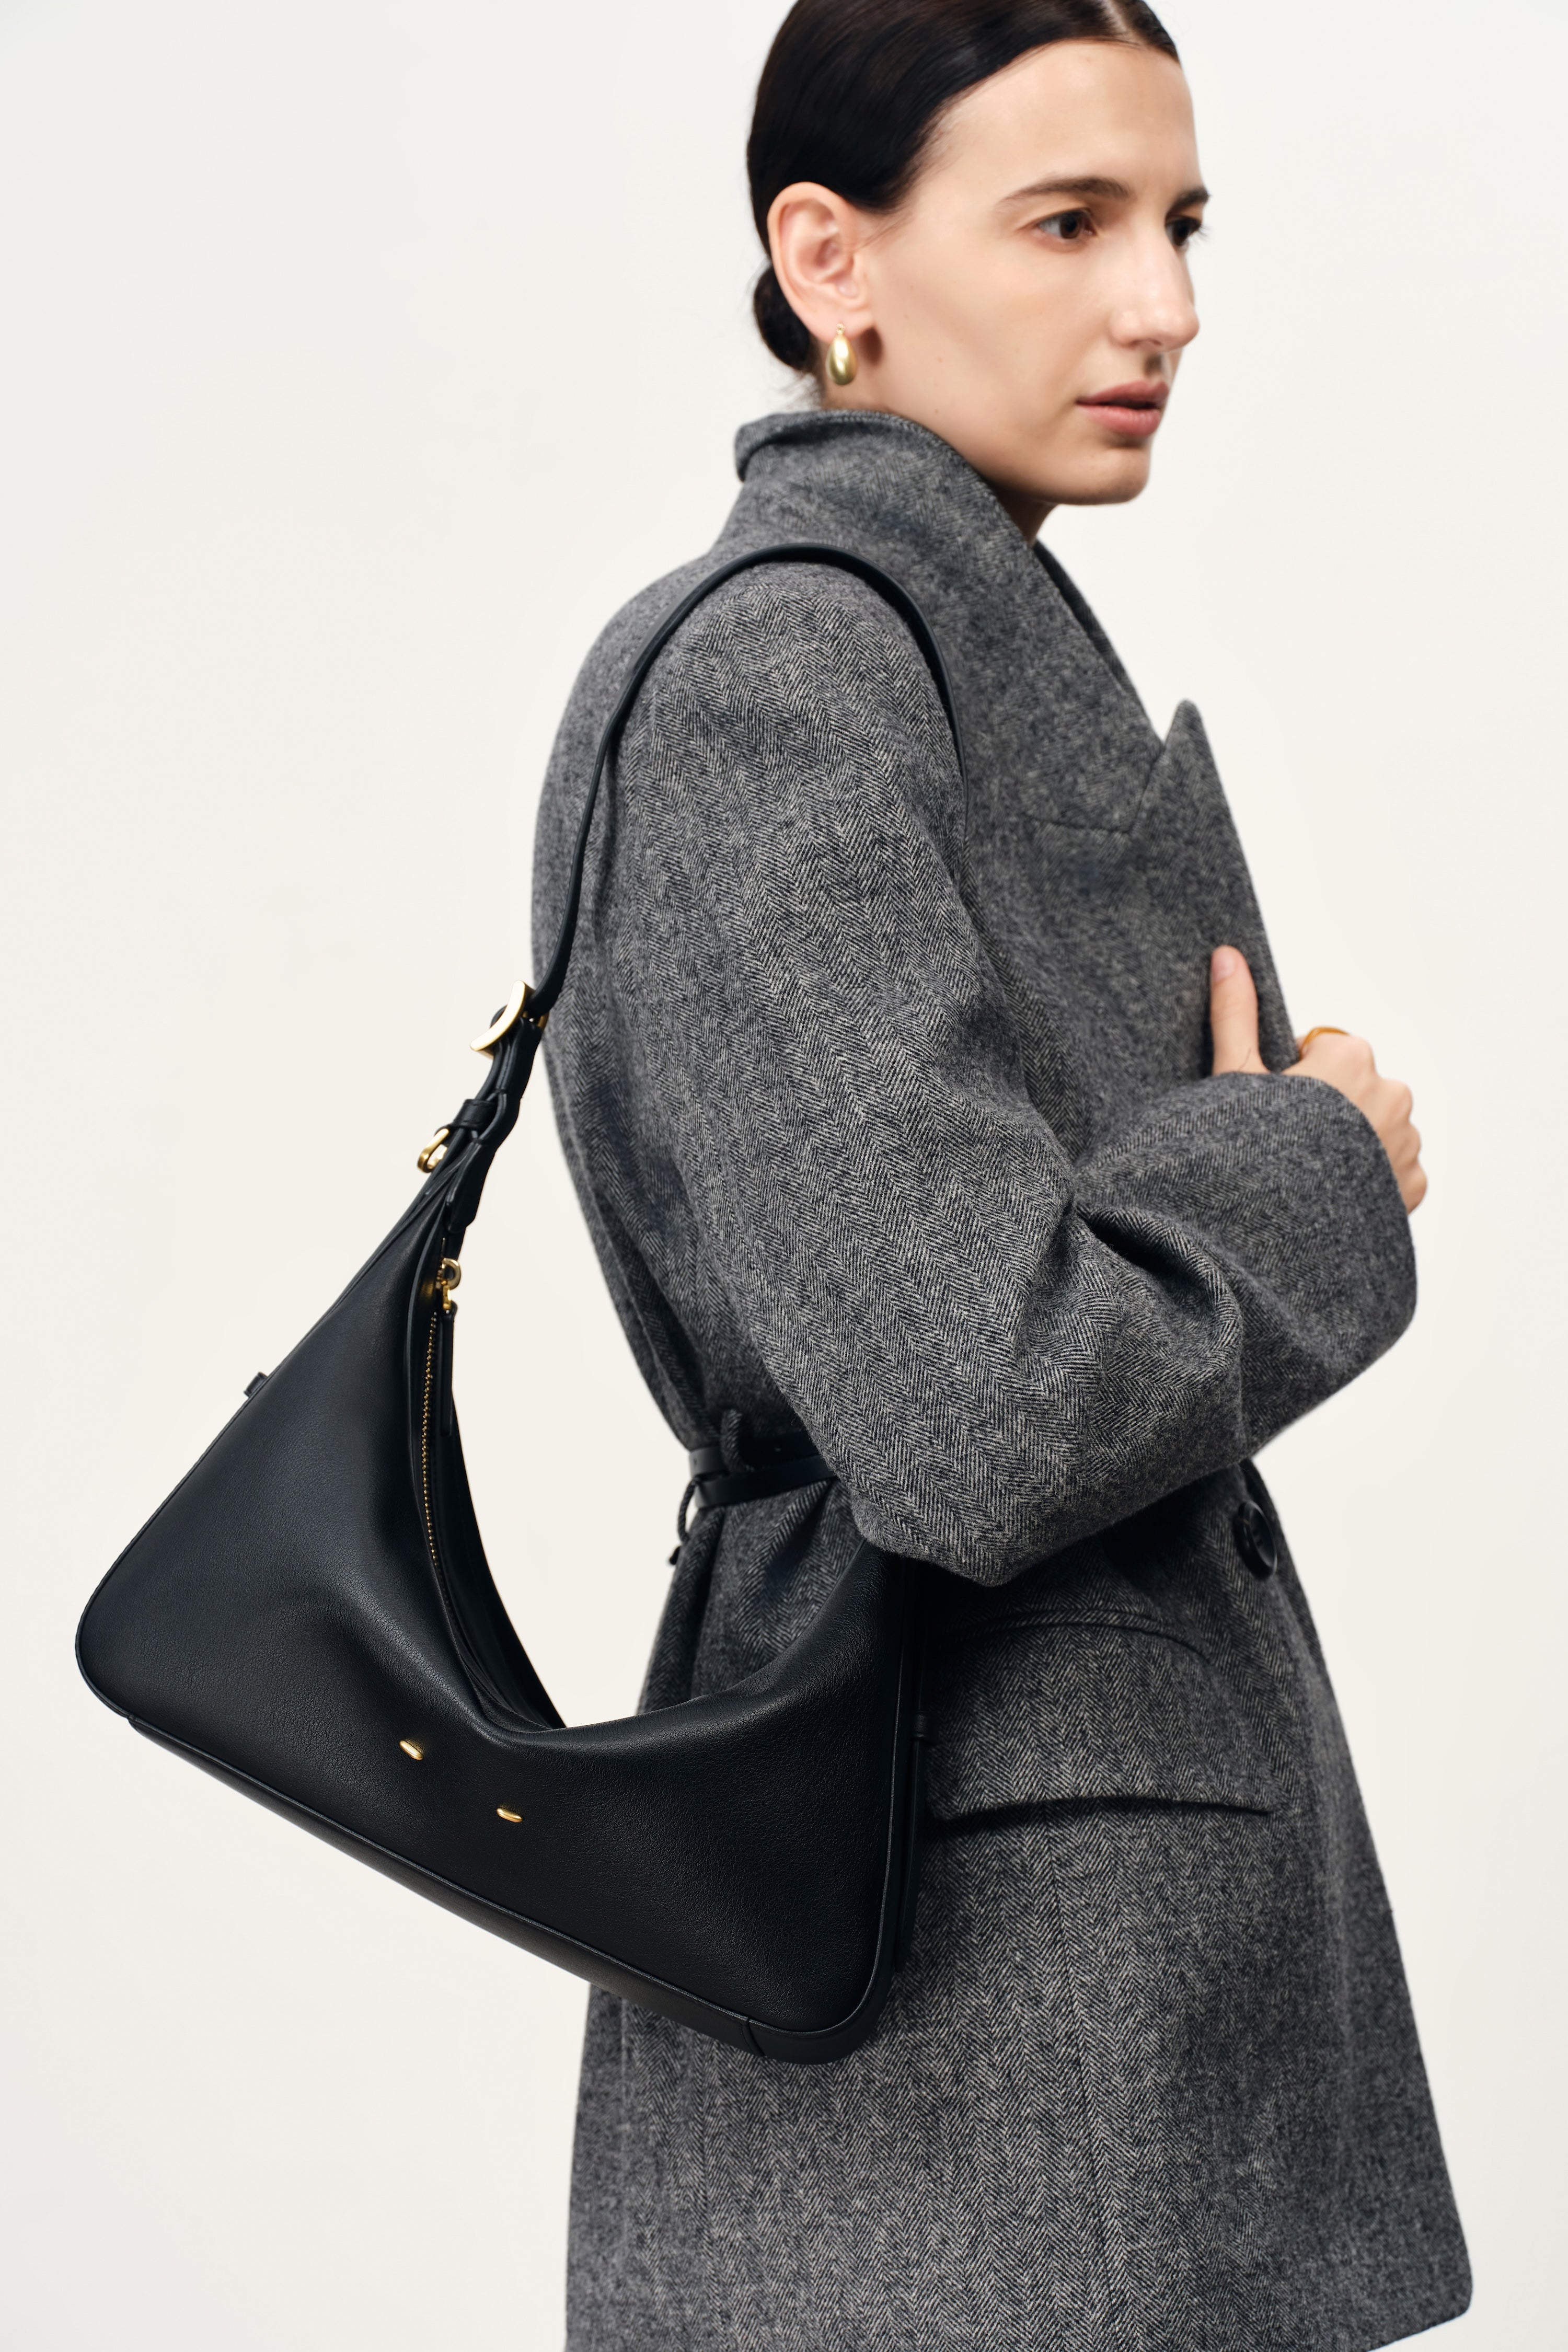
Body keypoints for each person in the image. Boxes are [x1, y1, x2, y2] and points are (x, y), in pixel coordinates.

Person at [531, 2, 1470, 2344]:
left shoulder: (941, 651)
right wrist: (1310, 1169)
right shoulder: (784, 682)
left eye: (1182, 225)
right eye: (1068, 224)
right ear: (828, 259)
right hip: (977, 2008)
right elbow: (973, 1405)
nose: (1165, 306)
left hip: (1056, 1983)